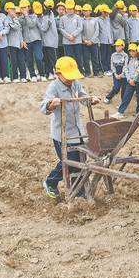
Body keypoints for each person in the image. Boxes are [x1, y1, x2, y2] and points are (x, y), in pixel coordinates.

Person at [40, 56, 101, 199]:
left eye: (72, 77)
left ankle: (78, 191)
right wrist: (52, 104)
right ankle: (51, 181)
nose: (70, 80)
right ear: (57, 74)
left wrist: (92, 99)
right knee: (68, 162)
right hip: (62, 132)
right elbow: (44, 107)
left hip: (78, 131)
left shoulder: (75, 84)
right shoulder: (53, 87)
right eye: (67, 77)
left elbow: (85, 98)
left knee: (81, 162)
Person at [112, 42, 139, 118]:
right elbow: (126, 70)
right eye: (130, 51)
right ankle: (120, 111)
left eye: (133, 51)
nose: (132, 53)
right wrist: (129, 80)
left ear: (136, 51)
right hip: (129, 82)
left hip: (138, 81)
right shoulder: (128, 60)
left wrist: (134, 80)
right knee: (126, 96)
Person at [20, 0, 45, 82]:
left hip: (36, 39)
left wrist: (26, 15)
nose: (23, 9)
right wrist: (22, 40)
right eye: (22, 7)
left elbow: (31, 25)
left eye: (25, 7)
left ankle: (42, 74)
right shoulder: (20, 18)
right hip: (27, 40)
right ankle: (32, 75)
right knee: (29, 59)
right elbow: (19, 30)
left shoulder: (34, 16)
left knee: (39, 57)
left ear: (29, 7)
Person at [59, 0, 83, 73]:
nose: (70, 10)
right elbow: (61, 28)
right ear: (66, 9)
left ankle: (80, 71)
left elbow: (80, 28)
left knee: (78, 57)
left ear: (74, 9)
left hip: (76, 41)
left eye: (71, 9)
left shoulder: (77, 17)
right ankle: (70, 72)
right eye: (68, 9)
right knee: (69, 57)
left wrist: (73, 35)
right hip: (67, 42)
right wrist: (68, 36)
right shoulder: (63, 18)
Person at [4, 2, 26, 82]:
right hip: (11, 43)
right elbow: (15, 27)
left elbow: (19, 31)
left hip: (19, 42)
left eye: (14, 9)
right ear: (7, 10)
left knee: (21, 60)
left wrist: (22, 41)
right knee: (13, 61)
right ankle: (15, 77)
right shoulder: (6, 19)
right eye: (11, 9)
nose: (13, 11)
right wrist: (14, 18)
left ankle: (23, 76)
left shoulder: (15, 18)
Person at [38, 0, 58, 80]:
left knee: (52, 58)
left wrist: (37, 23)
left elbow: (43, 28)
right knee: (48, 57)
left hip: (50, 41)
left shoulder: (47, 15)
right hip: (48, 41)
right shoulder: (51, 14)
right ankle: (49, 72)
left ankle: (56, 72)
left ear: (44, 6)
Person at [80, 4, 100, 77]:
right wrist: (84, 39)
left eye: (86, 10)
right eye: (84, 10)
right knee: (85, 57)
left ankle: (96, 71)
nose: (85, 12)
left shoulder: (94, 20)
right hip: (84, 42)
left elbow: (97, 31)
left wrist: (91, 40)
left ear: (90, 11)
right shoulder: (81, 20)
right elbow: (81, 31)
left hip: (93, 42)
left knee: (95, 57)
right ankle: (87, 72)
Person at [103, 39, 127, 104]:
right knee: (116, 88)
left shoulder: (125, 55)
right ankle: (108, 97)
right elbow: (112, 65)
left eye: (118, 46)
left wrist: (122, 74)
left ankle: (122, 103)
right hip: (116, 71)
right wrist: (115, 73)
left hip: (123, 72)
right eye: (116, 46)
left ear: (122, 46)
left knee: (123, 88)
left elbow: (126, 65)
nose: (116, 47)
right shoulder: (113, 55)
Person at [97, 4, 114, 76]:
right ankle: (104, 69)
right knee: (103, 56)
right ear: (102, 12)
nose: (108, 13)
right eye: (106, 12)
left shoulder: (108, 19)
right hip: (102, 41)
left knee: (108, 55)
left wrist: (112, 39)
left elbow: (110, 30)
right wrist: (98, 41)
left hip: (109, 40)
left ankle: (109, 68)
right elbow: (97, 31)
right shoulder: (97, 20)